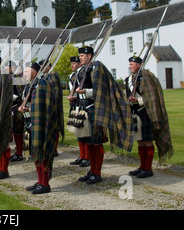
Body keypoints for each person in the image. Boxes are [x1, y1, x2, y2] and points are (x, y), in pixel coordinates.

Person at [72, 46, 134, 185]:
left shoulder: (97, 68)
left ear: (89, 56)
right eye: (80, 55)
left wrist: (85, 92)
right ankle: (91, 171)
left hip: (94, 109)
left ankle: (97, 172)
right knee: (88, 142)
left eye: (82, 55)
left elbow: (101, 90)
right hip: (83, 109)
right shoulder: (82, 70)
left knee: (96, 142)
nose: (80, 58)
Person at [125, 56, 173, 178]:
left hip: (146, 113)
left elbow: (153, 97)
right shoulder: (129, 79)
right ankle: (142, 166)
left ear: (139, 65)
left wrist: (139, 100)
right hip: (135, 113)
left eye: (132, 64)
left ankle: (148, 168)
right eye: (129, 64)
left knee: (147, 140)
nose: (130, 66)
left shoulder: (146, 77)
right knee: (140, 141)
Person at [19, 61, 62, 194]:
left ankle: (45, 183)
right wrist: (23, 108)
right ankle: (39, 181)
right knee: (35, 153)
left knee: (42, 154)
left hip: (42, 124)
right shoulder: (28, 86)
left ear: (34, 73)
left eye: (26, 71)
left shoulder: (42, 84)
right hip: (30, 123)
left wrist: (29, 108)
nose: (23, 74)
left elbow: (45, 105)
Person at [67, 56, 90, 167]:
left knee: (84, 133)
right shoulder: (73, 76)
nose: (72, 65)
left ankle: (87, 157)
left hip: (82, 104)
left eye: (74, 63)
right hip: (75, 105)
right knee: (78, 133)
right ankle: (82, 156)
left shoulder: (83, 73)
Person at [5, 61, 25, 162]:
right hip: (11, 106)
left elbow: (22, 94)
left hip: (17, 107)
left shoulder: (17, 78)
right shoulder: (10, 77)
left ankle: (19, 153)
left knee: (18, 131)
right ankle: (18, 151)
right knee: (14, 130)